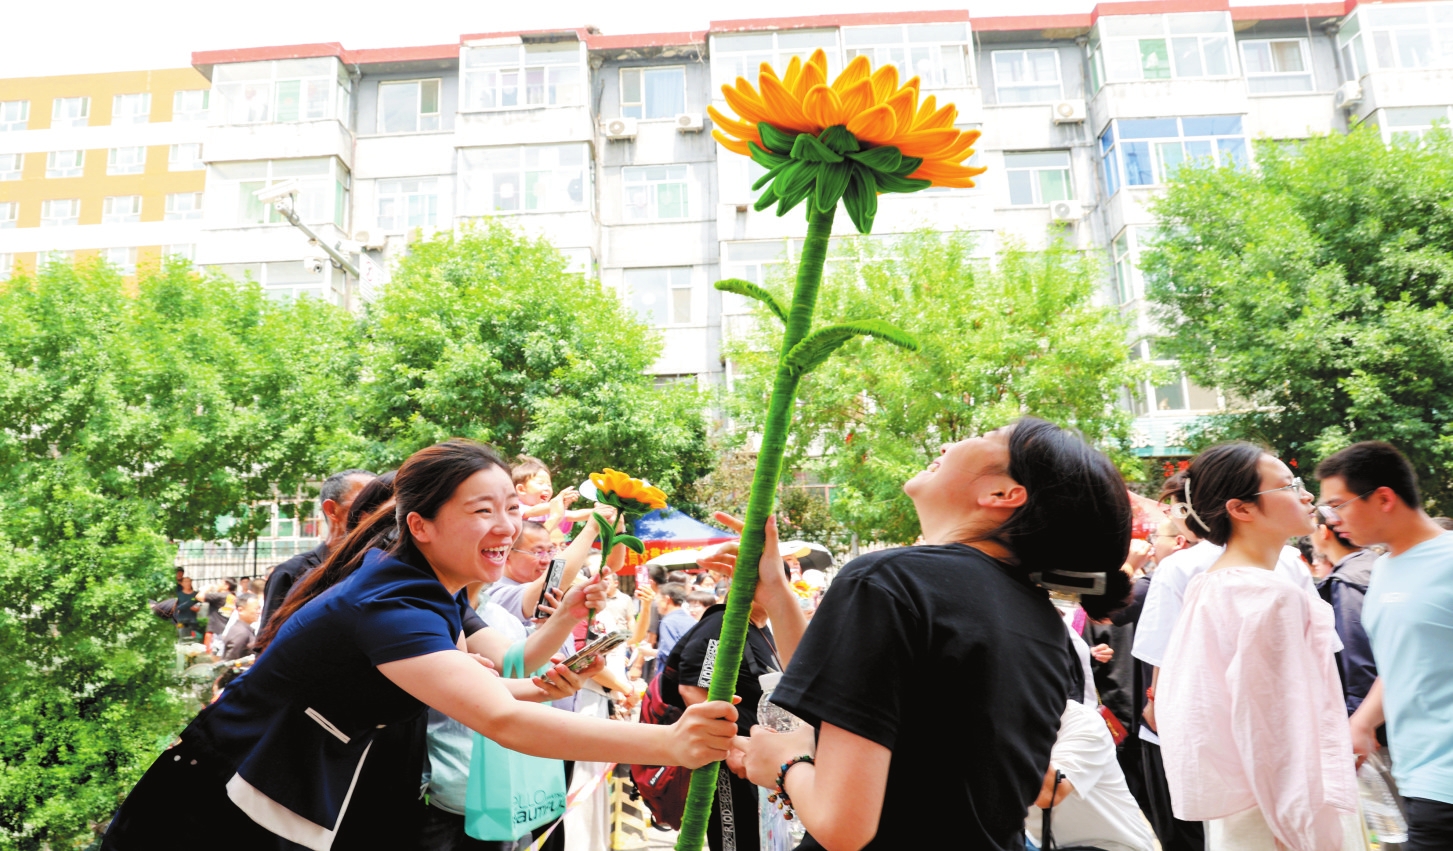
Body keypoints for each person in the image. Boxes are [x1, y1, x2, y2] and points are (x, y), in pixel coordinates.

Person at [100, 439, 738, 851]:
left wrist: (535, 684)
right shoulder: (393, 603)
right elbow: (500, 719)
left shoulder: (432, 590)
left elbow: (489, 684)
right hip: (213, 804)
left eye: (511, 508)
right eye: (482, 511)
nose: (507, 526)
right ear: (420, 525)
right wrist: (669, 742)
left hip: (283, 791)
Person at [732, 418, 1133, 850]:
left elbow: (843, 826)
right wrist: (777, 595)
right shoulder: (1043, 623)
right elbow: (851, 693)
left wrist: (785, 763)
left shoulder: (890, 580)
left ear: (1003, 494)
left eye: (987, 436)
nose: (949, 444)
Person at [1155, 442, 1359, 850]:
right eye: (1288, 486)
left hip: (1246, 811)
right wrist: (1297, 832)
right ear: (1241, 508)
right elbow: (1277, 732)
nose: (1306, 495)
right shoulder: (1269, 595)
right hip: (1284, 819)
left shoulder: (1209, 585)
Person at [1319, 441, 1453, 851]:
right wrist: (1362, 723)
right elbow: (1403, 662)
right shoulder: (1383, 568)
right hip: (1414, 777)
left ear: (1383, 498)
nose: (1331, 520)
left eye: (1337, 505)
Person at [668, 513, 809, 851]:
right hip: (730, 762)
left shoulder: (763, 630)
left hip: (759, 759)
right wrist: (729, 746)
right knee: (736, 839)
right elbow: (692, 686)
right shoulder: (722, 626)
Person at [1026, 699, 1156, 851]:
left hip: (1111, 846)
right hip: (1038, 843)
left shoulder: (1082, 721)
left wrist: (1012, 729)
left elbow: (1048, 794)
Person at [259, 468, 374, 630]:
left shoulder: (384, 567)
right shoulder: (292, 573)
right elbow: (268, 640)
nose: (378, 513)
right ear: (331, 510)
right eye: (368, 504)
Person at [1309, 510, 1378, 714]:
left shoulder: (1347, 582)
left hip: (1370, 713)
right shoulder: (1377, 564)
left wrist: (1360, 717)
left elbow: (1358, 660)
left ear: (1324, 531)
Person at [652, 583, 693, 660]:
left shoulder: (668, 622)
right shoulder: (692, 620)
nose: (656, 602)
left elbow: (668, 654)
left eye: (658, 598)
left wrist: (650, 652)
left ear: (667, 599)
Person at [221, 593, 260, 661]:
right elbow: (230, 662)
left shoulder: (244, 630)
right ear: (240, 610)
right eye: (256, 609)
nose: (259, 612)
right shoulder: (241, 632)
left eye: (259, 608)